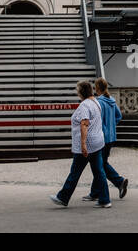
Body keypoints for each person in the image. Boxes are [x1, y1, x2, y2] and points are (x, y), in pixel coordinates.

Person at [49, 80, 111, 208]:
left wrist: (83, 144)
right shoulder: (96, 102)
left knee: (75, 172)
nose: (77, 93)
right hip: (97, 142)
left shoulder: (84, 105)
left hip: (87, 144)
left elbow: (84, 124)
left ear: (81, 92)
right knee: (99, 171)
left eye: (78, 91)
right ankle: (105, 200)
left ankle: (63, 197)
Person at [86, 78, 129, 201]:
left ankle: (119, 182)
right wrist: (111, 126)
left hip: (102, 137)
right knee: (100, 163)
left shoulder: (99, 102)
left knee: (100, 165)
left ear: (97, 88)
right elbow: (118, 116)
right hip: (111, 137)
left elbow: (96, 120)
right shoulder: (111, 100)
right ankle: (94, 192)